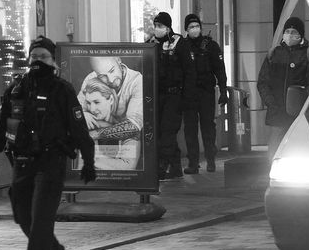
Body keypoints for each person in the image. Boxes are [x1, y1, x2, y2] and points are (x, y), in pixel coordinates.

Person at [0, 36, 97, 250]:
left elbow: (78, 127)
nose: (38, 61)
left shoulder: (62, 90)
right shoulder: (17, 89)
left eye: (43, 57)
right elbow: (1, 125)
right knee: (23, 215)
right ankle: (53, 249)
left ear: (53, 61)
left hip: (51, 161)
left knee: (41, 218)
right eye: (34, 57)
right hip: (23, 162)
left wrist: (88, 159)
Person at [257, 17, 309, 159]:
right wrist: (271, 103)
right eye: (287, 31)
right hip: (277, 111)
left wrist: (304, 102)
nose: (289, 34)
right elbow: (263, 82)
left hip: (299, 112)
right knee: (275, 146)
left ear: (301, 34)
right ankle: (273, 172)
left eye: (293, 31)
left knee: (299, 147)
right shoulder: (273, 54)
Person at [147, 11, 194, 180]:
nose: (157, 29)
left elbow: (189, 71)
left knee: (168, 130)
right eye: (155, 26)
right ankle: (175, 167)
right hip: (157, 95)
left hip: (174, 96)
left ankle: (162, 165)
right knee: (160, 131)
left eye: (160, 26)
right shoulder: (151, 44)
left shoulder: (179, 43)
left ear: (168, 27)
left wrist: (187, 98)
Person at [181, 14, 228, 174]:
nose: (194, 29)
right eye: (191, 26)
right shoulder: (183, 46)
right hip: (188, 94)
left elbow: (220, 69)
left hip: (206, 92)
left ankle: (210, 160)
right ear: (186, 29)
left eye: (196, 25)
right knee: (190, 129)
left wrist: (223, 90)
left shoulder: (210, 46)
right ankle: (193, 163)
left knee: (208, 127)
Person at [77, 56, 143, 143]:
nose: (111, 80)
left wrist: (95, 134)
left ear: (119, 60)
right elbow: (75, 109)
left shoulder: (137, 80)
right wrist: (83, 114)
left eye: (112, 71)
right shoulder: (91, 78)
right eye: (102, 76)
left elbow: (134, 125)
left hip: (126, 140)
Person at [80, 79, 141, 170]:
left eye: (97, 102)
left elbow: (128, 166)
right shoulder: (85, 126)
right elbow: (79, 168)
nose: (92, 109)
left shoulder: (127, 128)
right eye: (88, 103)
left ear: (111, 99)